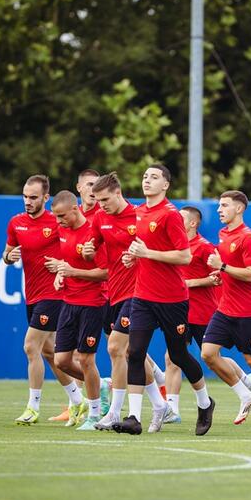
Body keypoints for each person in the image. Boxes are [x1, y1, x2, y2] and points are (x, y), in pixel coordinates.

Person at [114, 164, 215, 436]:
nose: (147, 180)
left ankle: (205, 403)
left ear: (166, 185)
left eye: (154, 177)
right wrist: (133, 257)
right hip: (142, 296)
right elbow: (143, 250)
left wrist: (147, 253)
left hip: (172, 299)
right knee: (134, 352)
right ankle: (134, 417)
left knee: (179, 355)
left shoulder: (170, 215)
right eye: (145, 176)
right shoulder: (138, 212)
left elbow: (184, 256)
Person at [81, 172, 163, 430]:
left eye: (105, 199)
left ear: (118, 193)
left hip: (139, 292)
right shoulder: (99, 218)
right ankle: (160, 405)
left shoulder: (138, 216)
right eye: (97, 200)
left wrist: (138, 257)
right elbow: (91, 252)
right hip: (114, 293)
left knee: (115, 347)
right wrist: (88, 252)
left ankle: (115, 412)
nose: (101, 205)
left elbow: (155, 251)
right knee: (131, 353)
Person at [4, 175, 84, 425]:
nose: (28, 201)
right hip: (32, 295)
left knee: (30, 346)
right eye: (25, 196)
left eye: (33, 197)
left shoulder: (57, 221)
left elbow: (75, 247)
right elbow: (7, 253)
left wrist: (63, 264)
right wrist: (9, 258)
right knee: (50, 353)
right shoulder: (16, 223)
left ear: (46, 198)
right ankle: (80, 398)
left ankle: (33, 407)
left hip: (55, 294)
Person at [163, 206, 251, 424]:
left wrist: (190, 283)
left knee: (212, 356)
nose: (176, 221)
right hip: (180, 310)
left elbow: (218, 278)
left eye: (181, 218)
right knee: (172, 357)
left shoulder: (204, 247)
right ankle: (172, 409)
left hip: (202, 311)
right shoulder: (175, 246)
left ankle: (244, 380)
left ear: (193, 223)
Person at [200, 191, 251, 428]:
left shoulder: (247, 237)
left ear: (239, 209)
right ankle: (245, 395)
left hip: (249, 310)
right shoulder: (223, 234)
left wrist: (223, 266)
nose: (219, 210)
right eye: (219, 205)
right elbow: (231, 269)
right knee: (208, 353)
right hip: (225, 308)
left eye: (224, 205)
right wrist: (220, 274)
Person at [44, 190, 108, 431]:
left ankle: (94, 414)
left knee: (86, 359)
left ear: (75, 209)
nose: (58, 220)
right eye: (55, 216)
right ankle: (101, 385)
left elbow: (106, 272)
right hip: (69, 302)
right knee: (61, 360)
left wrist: (72, 271)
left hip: (93, 303)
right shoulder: (62, 231)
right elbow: (68, 263)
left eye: (61, 216)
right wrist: (61, 275)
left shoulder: (93, 233)